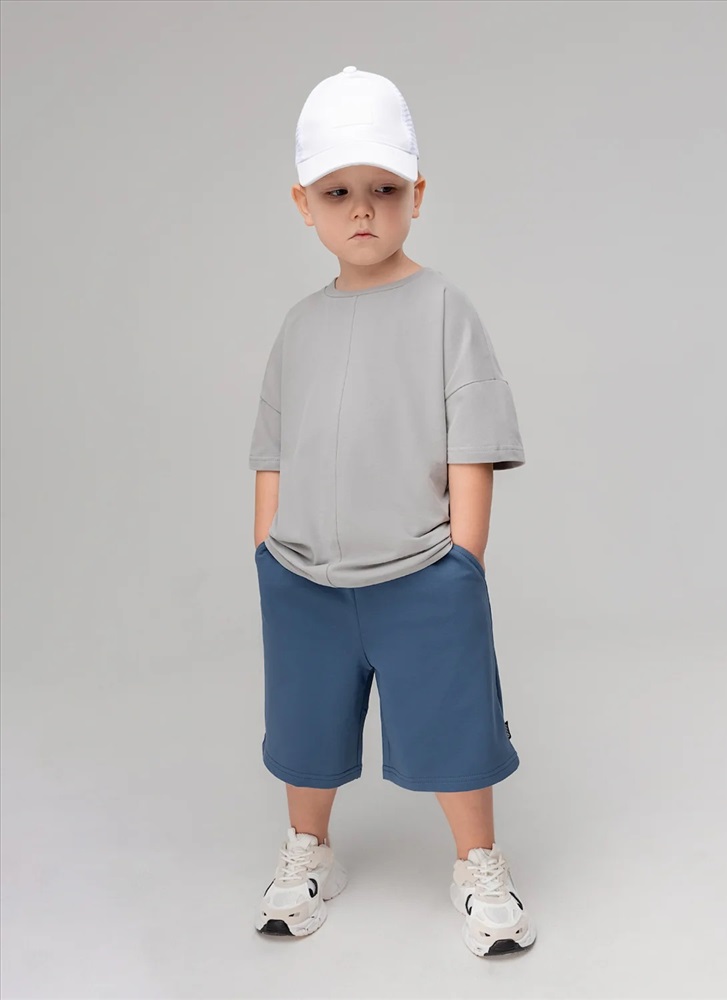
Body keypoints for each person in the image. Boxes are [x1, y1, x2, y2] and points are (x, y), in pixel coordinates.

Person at [249, 66, 536, 958]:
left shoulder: (444, 306)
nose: (363, 209)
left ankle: (479, 865)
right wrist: (266, 550)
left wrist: (464, 560)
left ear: (418, 193)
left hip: (421, 573)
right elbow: (272, 447)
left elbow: (472, 436)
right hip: (303, 576)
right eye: (338, 192)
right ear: (304, 204)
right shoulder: (300, 325)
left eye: (383, 188)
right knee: (304, 727)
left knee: (455, 725)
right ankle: (308, 852)